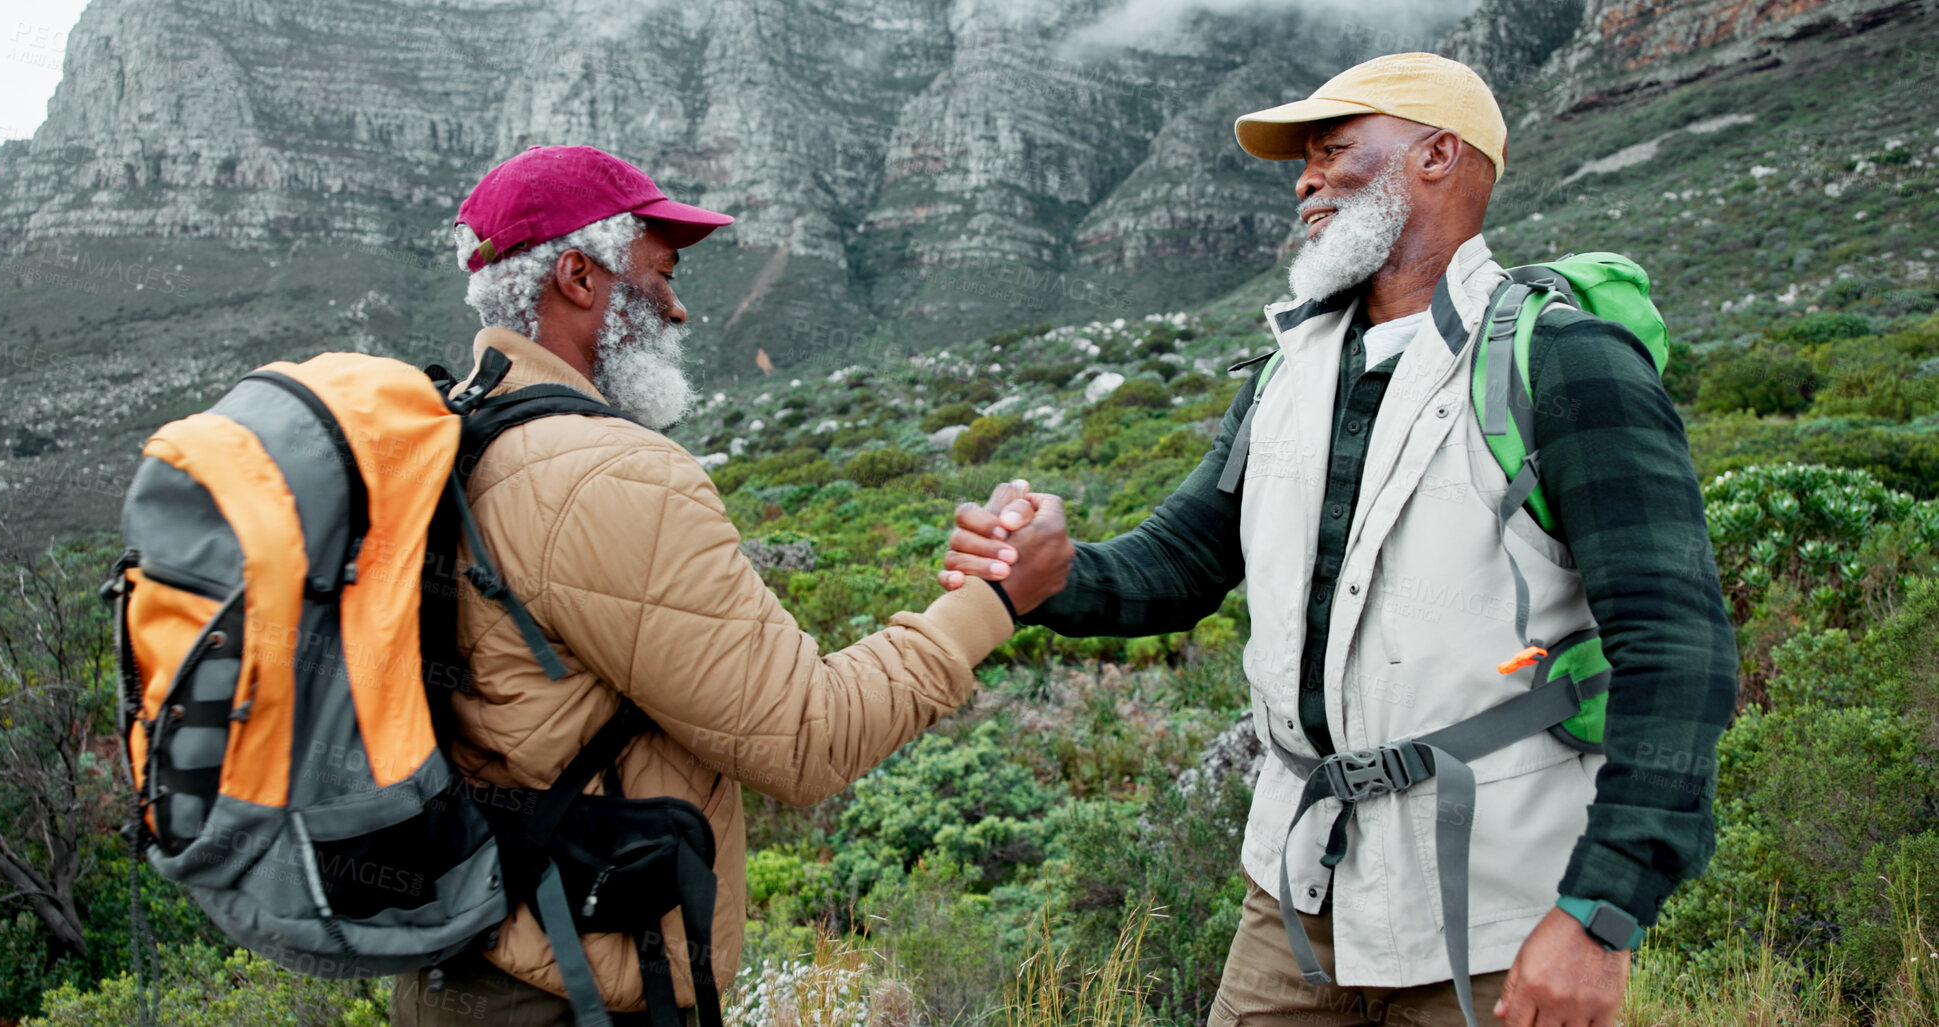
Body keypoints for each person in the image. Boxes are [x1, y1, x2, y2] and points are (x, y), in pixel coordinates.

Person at [941, 54, 1737, 1027]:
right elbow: (1182, 562)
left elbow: (1679, 651)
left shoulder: (1569, 365)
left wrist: (1599, 915)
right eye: (1306, 160)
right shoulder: (1289, 369)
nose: (1304, 181)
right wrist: (1053, 573)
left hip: (1499, 916)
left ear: (1439, 156)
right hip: (1295, 900)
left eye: (1333, 151)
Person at [389, 145, 1072, 1026]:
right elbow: (805, 738)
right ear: (576, 277)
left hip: (464, 960)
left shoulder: (453, 430)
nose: (679, 306)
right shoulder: (608, 475)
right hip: (570, 992)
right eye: (660, 274)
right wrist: (998, 597)